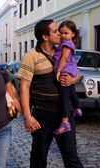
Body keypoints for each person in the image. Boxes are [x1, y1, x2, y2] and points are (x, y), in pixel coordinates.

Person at [16, 19, 83, 168]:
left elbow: (78, 73)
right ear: (45, 37)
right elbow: (24, 88)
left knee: (72, 158)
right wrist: (27, 117)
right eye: (55, 31)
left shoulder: (63, 49)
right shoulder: (31, 56)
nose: (59, 33)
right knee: (39, 159)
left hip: (65, 115)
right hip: (43, 115)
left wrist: (73, 80)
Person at [53, 20, 82, 135]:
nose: (63, 36)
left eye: (66, 33)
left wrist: (58, 71)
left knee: (64, 99)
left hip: (65, 73)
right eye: (61, 33)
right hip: (70, 72)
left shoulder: (66, 44)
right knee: (72, 92)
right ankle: (77, 108)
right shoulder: (65, 44)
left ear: (73, 34)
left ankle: (65, 123)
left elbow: (64, 59)